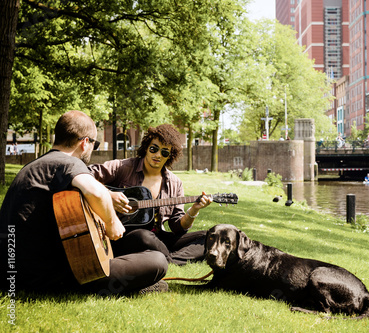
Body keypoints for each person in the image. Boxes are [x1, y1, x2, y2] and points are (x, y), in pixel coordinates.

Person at [0, 111, 168, 295]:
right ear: (84, 142)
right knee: (157, 260)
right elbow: (95, 192)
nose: (92, 149)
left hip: (13, 274)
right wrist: (112, 223)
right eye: (94, 144)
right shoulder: (69, 162)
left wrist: (109, 194)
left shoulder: (36, 166)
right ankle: (125, 288)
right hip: (51, 278)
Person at [89, 124, 212, 267]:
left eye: (164, 152)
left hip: (158, 238)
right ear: (146, 148)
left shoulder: (175, 183)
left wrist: (194, 210)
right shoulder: (123, 167)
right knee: (143, 236)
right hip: (123, 236)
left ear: (170, 156)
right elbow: (85, 174)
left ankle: (167, 260)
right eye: (154, 149)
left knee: (207, 237)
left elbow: (177, 227)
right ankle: (171, 258)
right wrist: (108, 194)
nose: (158, 155)